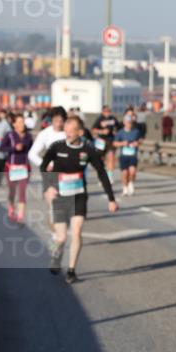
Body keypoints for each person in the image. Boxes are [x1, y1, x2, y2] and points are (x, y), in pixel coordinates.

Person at [40, 115, 119, 283]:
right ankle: (55, 255)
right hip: (60, 196)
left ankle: (71, 270)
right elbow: (43, 166)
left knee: (77, 230)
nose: (67, 134)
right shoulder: (57, 147)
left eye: (71, 131)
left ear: (80, 132)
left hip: (78, 194)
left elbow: (102, 172)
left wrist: (111, 198)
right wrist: (49, 186)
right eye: (65, 131)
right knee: (60, 238)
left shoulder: (88, 150)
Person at [1, 113, 33, 223]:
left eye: (22, 121)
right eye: (18, 122)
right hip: (11, 168)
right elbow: (2, 148)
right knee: (12, 191)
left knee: (22, 192)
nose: (21, 124)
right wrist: (14, 148)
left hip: (24, 168)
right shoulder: (9, 135)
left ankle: (20, 216)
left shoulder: (28, 136)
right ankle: (11, 207)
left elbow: (32, 150)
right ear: (13, 124)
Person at [114, 114, 142, 196]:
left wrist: (137, 143)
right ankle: (125, 188)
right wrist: (122, 143)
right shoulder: (120, 133)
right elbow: (115, 143)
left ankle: (131, 183)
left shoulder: (136, 131)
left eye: (130, 122)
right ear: (124, 122)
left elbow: (140, 140)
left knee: (132, 171)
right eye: (127, 122)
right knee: (125, 173)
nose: (129, 124)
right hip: (123, 156)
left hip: (133, 155)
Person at [91, 105, 119, 182]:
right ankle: (102, 176)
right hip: (101, 142)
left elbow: (119, 127)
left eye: (109, 111)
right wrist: (101, 131)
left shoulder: (113, 119)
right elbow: (93, 129)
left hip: (110, 141)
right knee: (101, 160)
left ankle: (109, 176)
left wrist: (115, 131)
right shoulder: (99, 119)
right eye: (106, 111)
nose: (108, 113)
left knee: (111, 157)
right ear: (102, 111)